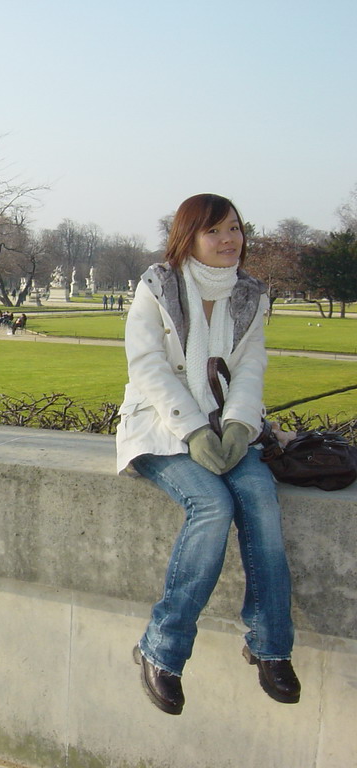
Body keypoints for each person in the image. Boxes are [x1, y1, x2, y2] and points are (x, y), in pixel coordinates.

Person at [116, 194, 298, 716]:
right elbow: (147, 366)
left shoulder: (249, 296)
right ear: (188, 237)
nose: (229, 241)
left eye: (236, 229)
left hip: (225, 426)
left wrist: (241, 425)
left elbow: (250, 370)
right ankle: (162, 649)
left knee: (259, 498)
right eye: (214, 231)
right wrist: (194, 430)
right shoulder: (157, 286)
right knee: (213, 505)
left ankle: (270, 644)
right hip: (160, 427)